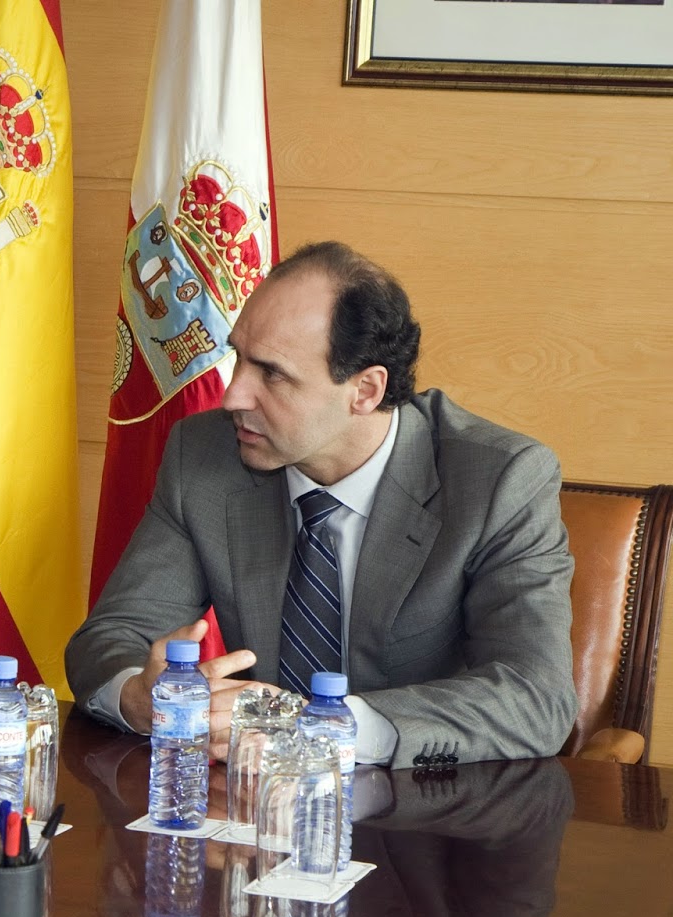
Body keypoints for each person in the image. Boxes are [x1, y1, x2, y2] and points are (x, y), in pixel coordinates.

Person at [66, 241, 575, 769]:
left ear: (365, 390)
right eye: (238, 357)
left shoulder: (498, 480)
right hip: (249, 813)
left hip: (429, 817)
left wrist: (323, 729)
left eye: (273, 373)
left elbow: (535, 697)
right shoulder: (204, 455)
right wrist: (139, 696)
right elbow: (114, 635)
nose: (233, 396)